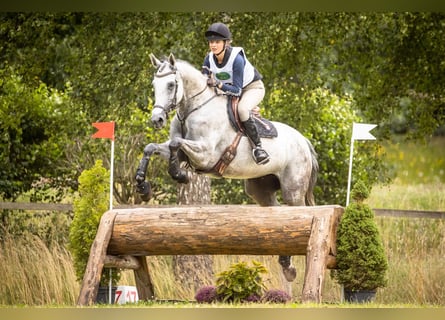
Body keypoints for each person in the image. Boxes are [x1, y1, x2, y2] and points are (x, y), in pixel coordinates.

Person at [202, 22, 270, 165]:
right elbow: (204, 81)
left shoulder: (236, 59)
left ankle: (258, 148)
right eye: (211, 42)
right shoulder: (208, 59)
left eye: (217, 42)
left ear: (225, 43)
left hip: (252, 88)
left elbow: (238, 91)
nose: (213, 45)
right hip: (229, 90)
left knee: (242, 109)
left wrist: (219, 84)